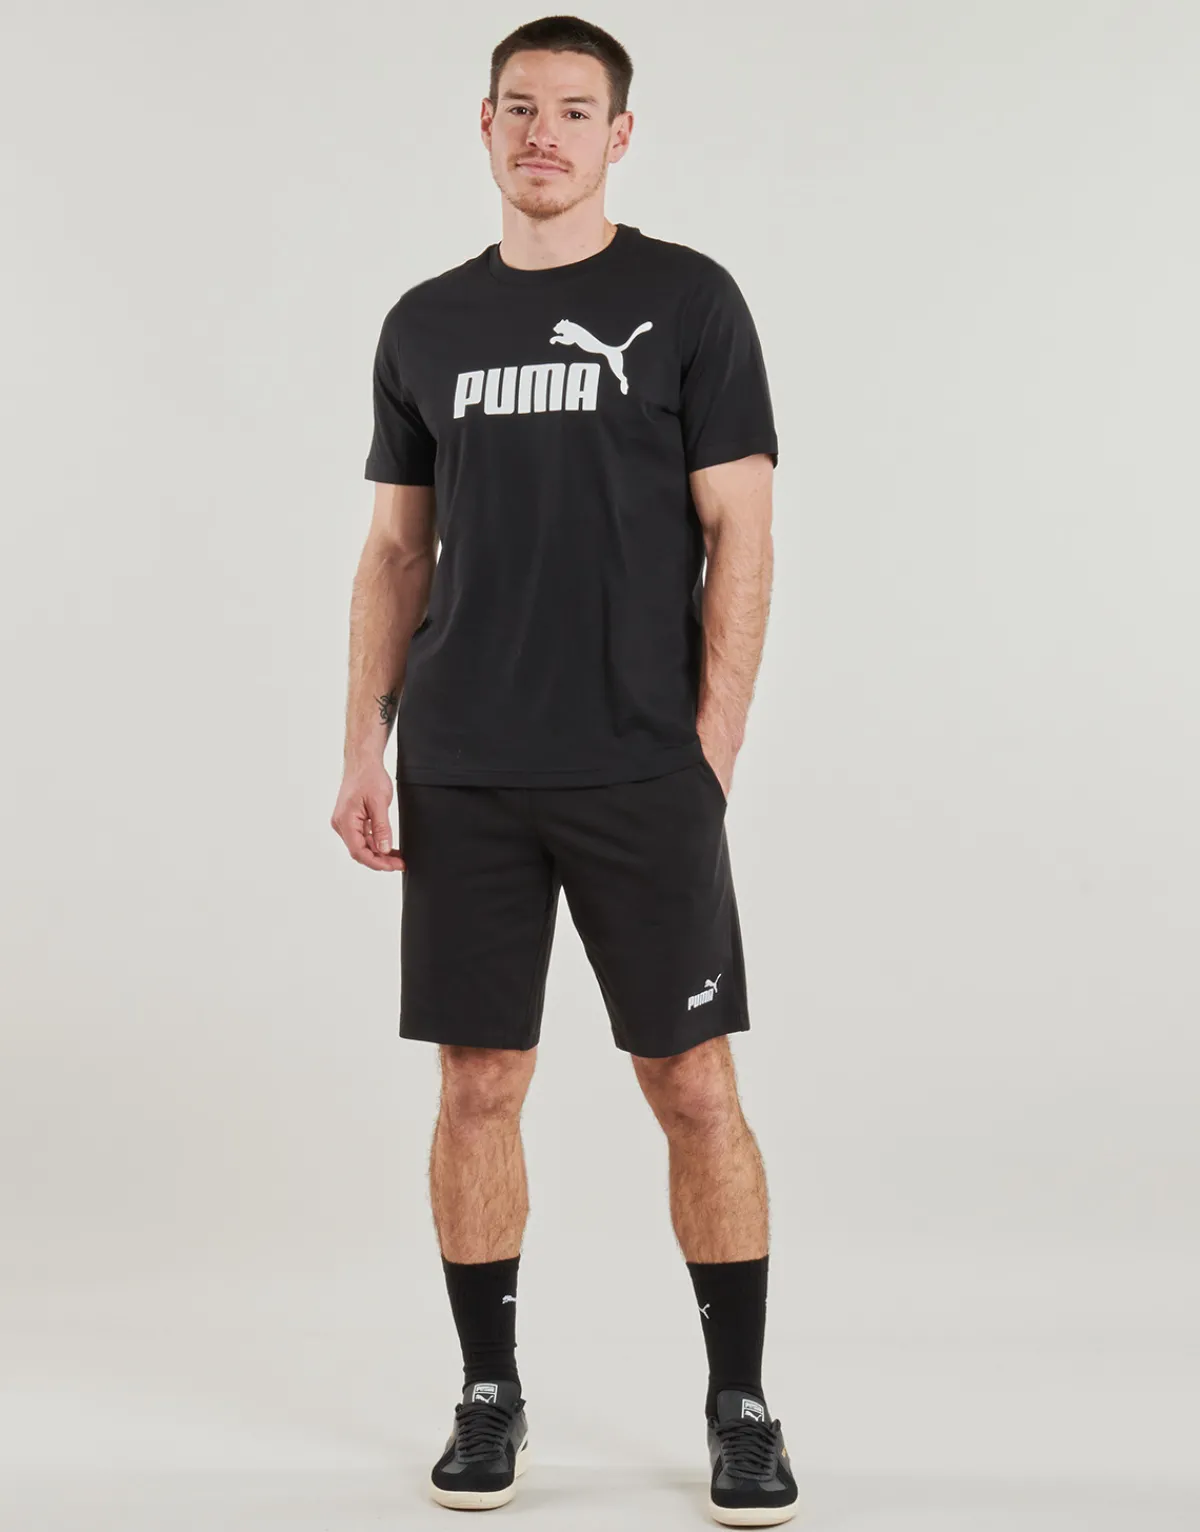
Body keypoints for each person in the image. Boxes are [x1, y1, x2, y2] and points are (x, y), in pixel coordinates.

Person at [331, 14, 796, 1526]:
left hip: (640, 769)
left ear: (619, 135)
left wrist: (711, 747)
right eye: (520, 107)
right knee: (479, 1085)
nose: (546, 133)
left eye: (576, 110)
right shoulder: (425, 324)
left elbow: (742, 532)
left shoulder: (689, 301)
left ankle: (740, 1404)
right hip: (465, 766)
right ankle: (489, 1393)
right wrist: (364, 744)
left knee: (693, 1083)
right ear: (484, 127)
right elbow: (396, 550)